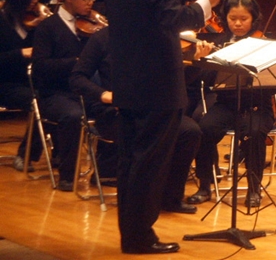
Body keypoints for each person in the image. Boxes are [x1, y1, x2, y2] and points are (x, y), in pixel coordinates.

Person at [102, 0, 222, 255]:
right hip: (157, 87)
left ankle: (132, 234)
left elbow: (146, 20)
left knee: (130, 161)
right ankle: (140, 237)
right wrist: (206, 1)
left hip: (127, 82)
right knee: (149, 164)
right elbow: (175, 19)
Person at [69, 26, 203, 212]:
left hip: (153, 109)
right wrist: (104, 94)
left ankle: (170, 198)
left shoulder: (156, 36)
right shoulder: (102, 38)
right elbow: (77, 78)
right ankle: (136, 202)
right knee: (143, 132)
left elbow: (176, 81)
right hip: (115, 112)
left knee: (189, 131)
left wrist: (196, 62)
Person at [187, 0, 275, 209]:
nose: (237, 24)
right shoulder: (218, 42)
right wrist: (201, 61)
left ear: (254, 18)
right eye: (232, 18)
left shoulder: (264, 43)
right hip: (226, 104)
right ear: (224, 18)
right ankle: (205, 185)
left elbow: (275, 85)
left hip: (257, 106)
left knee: (255, 132)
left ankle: (254, 189)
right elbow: (207, 82)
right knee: (204, 129)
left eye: (244, 19)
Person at [32, 0, 96, 191]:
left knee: (118, 107)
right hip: (55, 94)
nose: (91, 3)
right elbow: (40, 67)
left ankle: (106, 172)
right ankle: (67, 176)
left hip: (85, 91)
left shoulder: (92, 27)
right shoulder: (47, 28)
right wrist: (75, 62)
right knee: (73, 115)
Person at [0, 0, 45, 172]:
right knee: (39, 101)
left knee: (53, 96)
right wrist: (21, 53)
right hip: (5, 84)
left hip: (26, 81)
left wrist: (39, 28)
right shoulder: (2, 21)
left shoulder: (29, 22)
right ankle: (25, 155)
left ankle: (60, 154)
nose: (36, 2)